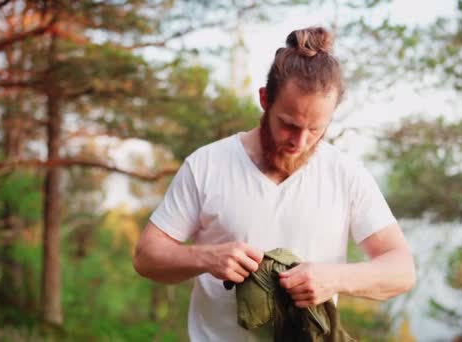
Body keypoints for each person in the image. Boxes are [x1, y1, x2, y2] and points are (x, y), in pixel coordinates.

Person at [132, 26, 416, 341]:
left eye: (316, 129)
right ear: (265, 99)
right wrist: (206, 257)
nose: (301, 141)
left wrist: (333, 279)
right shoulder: (206, 165)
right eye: (288, 125)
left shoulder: (346, 174)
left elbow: (401, 270)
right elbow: (147, 257)